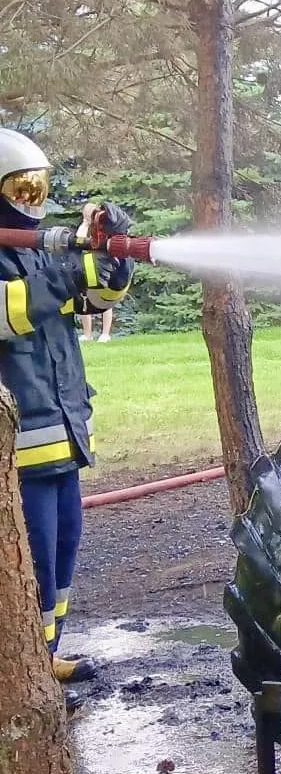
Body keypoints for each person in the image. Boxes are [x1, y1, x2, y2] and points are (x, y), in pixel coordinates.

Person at [0, 130, 135, 684]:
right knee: (29, 557)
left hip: (62, 436)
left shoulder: (35, 251)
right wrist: (69, 270)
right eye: (21, 189)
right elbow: (11, 311)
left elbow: (94, 297)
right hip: (17, 451)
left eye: (36, 187)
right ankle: (21, 670)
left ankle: (43, 656)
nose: (32, 201)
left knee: (60, 551)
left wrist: (113, 258)